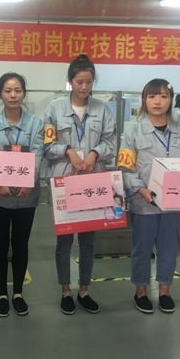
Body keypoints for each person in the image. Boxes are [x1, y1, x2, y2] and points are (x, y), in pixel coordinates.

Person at [118, 79, 180, 314]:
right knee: (142, 249)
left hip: (173, 203)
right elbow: (125, 166)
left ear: (171, 101)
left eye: (164, 96)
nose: (158, 101)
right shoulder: (133, 131)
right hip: (143, 202)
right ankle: (141, 291)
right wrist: (140, 189)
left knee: (169, 248)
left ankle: (165, 290)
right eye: (152, 96)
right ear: (144, 100)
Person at [43, 54, 116, 315]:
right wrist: (67, 151)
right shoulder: (54, 109)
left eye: (89, 81)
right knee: (64, 241)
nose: (84, 87)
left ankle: (84, 290)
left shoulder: (103, 109)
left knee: (88, 241)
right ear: (70, 81)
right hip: (64, 182)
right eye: (79, 82)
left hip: (92, 183)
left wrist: (95, 152)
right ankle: (66, 291)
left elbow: (111, 142)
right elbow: (47, 144)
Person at [0, 73, 44, 317]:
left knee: (21, 244)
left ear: (24, 93)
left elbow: (38, 153)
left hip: (27, 196)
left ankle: (18, 293)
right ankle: (2, 294)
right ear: (0, 94)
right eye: (7, 90)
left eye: (17, 90)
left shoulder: (36, 124)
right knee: (0, 244)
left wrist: (29, 181)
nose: (13, 95)